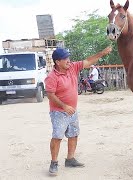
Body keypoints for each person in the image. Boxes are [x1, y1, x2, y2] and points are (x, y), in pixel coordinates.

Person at [45, 47, 112, 176]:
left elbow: (88, 61)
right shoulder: (52, 77)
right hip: (59, 112)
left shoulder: (72, 67)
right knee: (57, 136)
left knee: (73, 134)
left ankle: (70, 159)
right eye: (65, 59)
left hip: (72, 110)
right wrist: (64, 106)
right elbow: (51, 95)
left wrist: (102, 53)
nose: (69, 60)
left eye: (68, 58)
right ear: (58, 62)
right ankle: (54, 162)